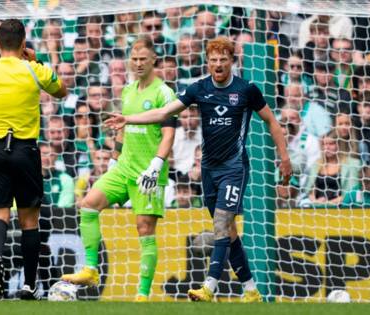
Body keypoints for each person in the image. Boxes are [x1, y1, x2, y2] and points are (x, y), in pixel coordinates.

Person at [105, 37, 291, 303]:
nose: (218, 64)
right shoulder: (199, 89)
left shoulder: (246, 89)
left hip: (234, 167)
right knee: (229, 231)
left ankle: (209, 286)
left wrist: (284, 158)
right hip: (208, 169)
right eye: (213, 60)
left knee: (221, 224)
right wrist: (127, 118)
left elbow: (272, 121)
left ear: (231, 61)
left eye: (223, 60)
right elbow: (163, 113)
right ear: (207, 62)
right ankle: (251, 290)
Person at [61, 36, 177, 302]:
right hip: (123, 168)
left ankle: (142, 295)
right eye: (134, 59)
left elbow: (169, 135)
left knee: (144, 229)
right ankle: (91, 269)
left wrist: (156, 165)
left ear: (153, 61)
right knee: (89, 205)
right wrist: (113, 159)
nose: (137, 64)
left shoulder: (164, 92)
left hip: (148, 173)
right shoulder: (127, 90)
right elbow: (123, 129)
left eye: (142, 59)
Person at [0, 19, 66, 300]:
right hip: (26, 151)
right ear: (23, 43)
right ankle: (30, 285)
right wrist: (37, 59)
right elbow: (62, 91)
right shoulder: (33, 70)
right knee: (29, 219)